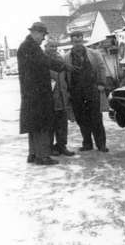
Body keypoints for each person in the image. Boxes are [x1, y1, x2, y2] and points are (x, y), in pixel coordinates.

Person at [17, 22, 74, 165]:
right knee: (42, 124)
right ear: (35, 32)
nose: (43, 38)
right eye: (43, 35)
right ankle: (42, 156)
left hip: (31, 92)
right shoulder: (31, 47)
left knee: (33, 125)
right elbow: (44, 61)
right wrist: (63, 66)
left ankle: (33, 154)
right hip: (37, 93)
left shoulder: (27, 45)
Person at [64, 31, 110, 153]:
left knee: (96, 118)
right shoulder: (67, 57)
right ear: (71, 42)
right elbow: (65, 75)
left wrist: (101, 84)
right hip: (76, 92)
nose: (77, 44)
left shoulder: (94, 54)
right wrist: (68, 90)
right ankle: (87, 143)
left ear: (83, 40)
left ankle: (101, 145)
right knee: (81, 119)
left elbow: (101, 68)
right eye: (75, 41)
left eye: (79, 41)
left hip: (92, 90)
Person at [45, 41, 75, 157]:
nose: (53, 48)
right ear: (45, 47)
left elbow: (66, 79)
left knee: (62, 125)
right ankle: (50, 148)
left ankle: (62, 146)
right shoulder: (42, 60)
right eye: (50, 46)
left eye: (55, 46)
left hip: (62, 98)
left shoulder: (61, 60)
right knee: (49, 125)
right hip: (49, 99)